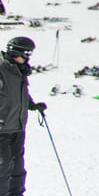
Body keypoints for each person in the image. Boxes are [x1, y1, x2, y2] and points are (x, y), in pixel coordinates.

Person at [0, 37, 45, 196]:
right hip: (2, 128)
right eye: (26, 54)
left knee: (17, 166)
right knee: (3, 167)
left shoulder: (20, 70)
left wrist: (31, 105)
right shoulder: (2, 69)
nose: (27, 58)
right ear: (16, 53)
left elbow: (20, 93)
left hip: (17, 126)